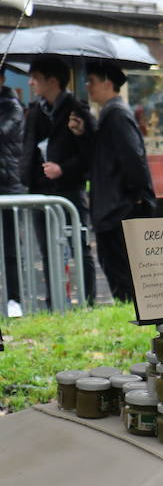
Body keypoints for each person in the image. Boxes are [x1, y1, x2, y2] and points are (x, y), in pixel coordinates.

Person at [70, 61, 155, 303]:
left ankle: (130, 312)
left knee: (122, 273)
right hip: (113, 207)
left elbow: (133, 157)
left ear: (108, 83)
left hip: (118, 209)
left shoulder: (116, 114)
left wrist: (138, 195)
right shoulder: (110, 113)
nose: (88, 87)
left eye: (92, 81)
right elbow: (102, 157)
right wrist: (84, 133)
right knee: (117, 269)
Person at [20, 54, 96, 304]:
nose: (31, 83)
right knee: (47, 250)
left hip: (69, 190)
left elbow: (90, 153)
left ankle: (88, 300)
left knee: (78, 245)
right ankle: (55, 301)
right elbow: (28, 147)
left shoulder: (76, 110)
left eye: (35, 78)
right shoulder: (35, 110)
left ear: (52, 81)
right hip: (39, 190)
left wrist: (63, 168)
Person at [0, 84, 23, 315]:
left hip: (8, 185)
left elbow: (4, 131)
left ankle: (15, 300)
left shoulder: (11, 106)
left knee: (11, 247)